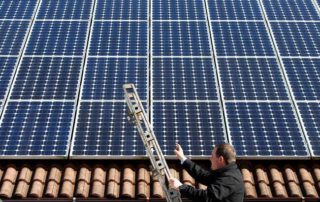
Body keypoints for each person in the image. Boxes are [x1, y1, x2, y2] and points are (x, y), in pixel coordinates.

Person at [169, 143, 244, 202]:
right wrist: (183, 158)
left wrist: (181, 187)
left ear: (221, 159)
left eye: (212, 156)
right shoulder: (226, 171)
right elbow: (204, 176)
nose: (210, 158)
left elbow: (206, 197)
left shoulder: (231, 178)